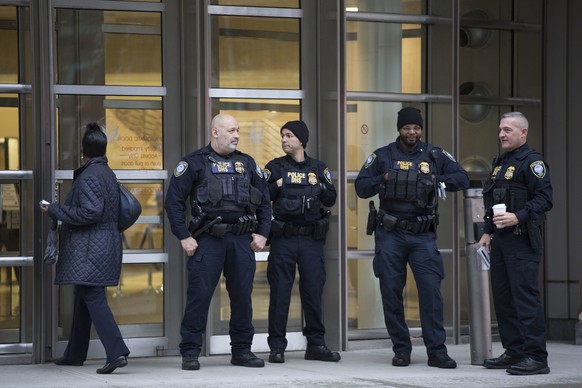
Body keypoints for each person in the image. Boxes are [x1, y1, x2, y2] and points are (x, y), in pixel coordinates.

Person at [354, 107, 469, 369]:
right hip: (391, 234)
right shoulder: (383, 155)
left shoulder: (434, 155)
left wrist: (435, 179)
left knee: (431, 292)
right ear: (399, 129)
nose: (412, 132)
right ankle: (401, 350)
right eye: (407, 128)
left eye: (416, 128)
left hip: (422, 236)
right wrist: (383, 179)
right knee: (391, 294)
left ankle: (437, 351)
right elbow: (361, 186)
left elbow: (461, 178)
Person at [165, 113, 271, 371]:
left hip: (240, 240)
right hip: (208, 241)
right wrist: (184, 236)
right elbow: (174, 202)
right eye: (231, 130)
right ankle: (190, 352)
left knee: (242, 297)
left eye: (238, 130)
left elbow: (266, 202)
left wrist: (263, 233)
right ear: (215, 132)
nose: (236, 135)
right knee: (199, 296)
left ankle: (242, 351)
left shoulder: (247, 163)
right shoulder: (194, 163)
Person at [40, 123, 129, 374]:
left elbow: (90, 212)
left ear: (84, 152)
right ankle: (75, 353)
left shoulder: (90, 175)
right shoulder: (106, 172)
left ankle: (116, 351)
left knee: (93, 296)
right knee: (82, 297)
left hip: (93, 248)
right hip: (101, 244)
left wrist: (55, 210)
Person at [478, 112, 552, 375]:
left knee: (525, 299)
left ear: (523, 133)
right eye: (500, 129)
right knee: (504, 299)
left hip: (523, 240)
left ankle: (536, 357)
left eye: (508, 130)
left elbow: (545, 199)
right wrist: (487, 232)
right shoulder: (500, 163)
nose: (501, 134)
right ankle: (514, 351)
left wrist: (517, 216)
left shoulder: (533, 163)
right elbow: (492, 201)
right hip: (500, 241)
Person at [263, 120, 340, 364]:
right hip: (284, 239)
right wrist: (277, 185)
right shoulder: (274, 168)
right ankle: (277, 347)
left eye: (289, 136)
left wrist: (317, 184)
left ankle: (316, 344)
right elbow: (258, 196)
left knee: (313, 292)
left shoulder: (318, 167)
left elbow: (331, 198)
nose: (284, 140)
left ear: (301, 140)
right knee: (280, 293)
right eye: (282, 136)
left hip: (310, 239)